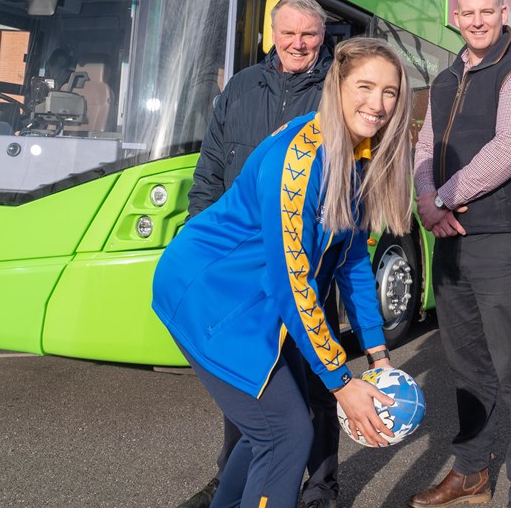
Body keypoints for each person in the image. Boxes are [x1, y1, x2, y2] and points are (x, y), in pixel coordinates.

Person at [153, 37, 413, 508]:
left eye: (390, 92)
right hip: (209, 292)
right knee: (286, 433)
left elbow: (351, 259)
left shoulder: (358, 157)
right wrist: (340, 382)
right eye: (365, 86)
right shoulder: (299, 161)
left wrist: (377, 355)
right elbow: (293, 284)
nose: (377, 104)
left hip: (250, 293)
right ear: (336, 86)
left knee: (264, 433)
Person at [181, 0, 344, 508]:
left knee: (316, 381)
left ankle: (320, 487)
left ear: (323, 37)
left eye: (309, 35)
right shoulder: (241, 86)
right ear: (273, 33)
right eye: (289, 33)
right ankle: (239, 476)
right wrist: (198, 231)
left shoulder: (335, 92)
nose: (298, 44)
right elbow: (210, 168)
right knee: (250, 379)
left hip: (304, 261)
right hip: (240, 262)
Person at [409, 0, 511, 508]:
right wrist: (426, 196)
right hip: (452, 243)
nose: (476, 21)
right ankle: (472, 472)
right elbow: (425, 144)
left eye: (485, 12)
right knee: (467, 365)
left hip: (505, 242)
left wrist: (444, 196)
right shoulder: (446, 77)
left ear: (502, 13)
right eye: (467, 13)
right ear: (456, 17)